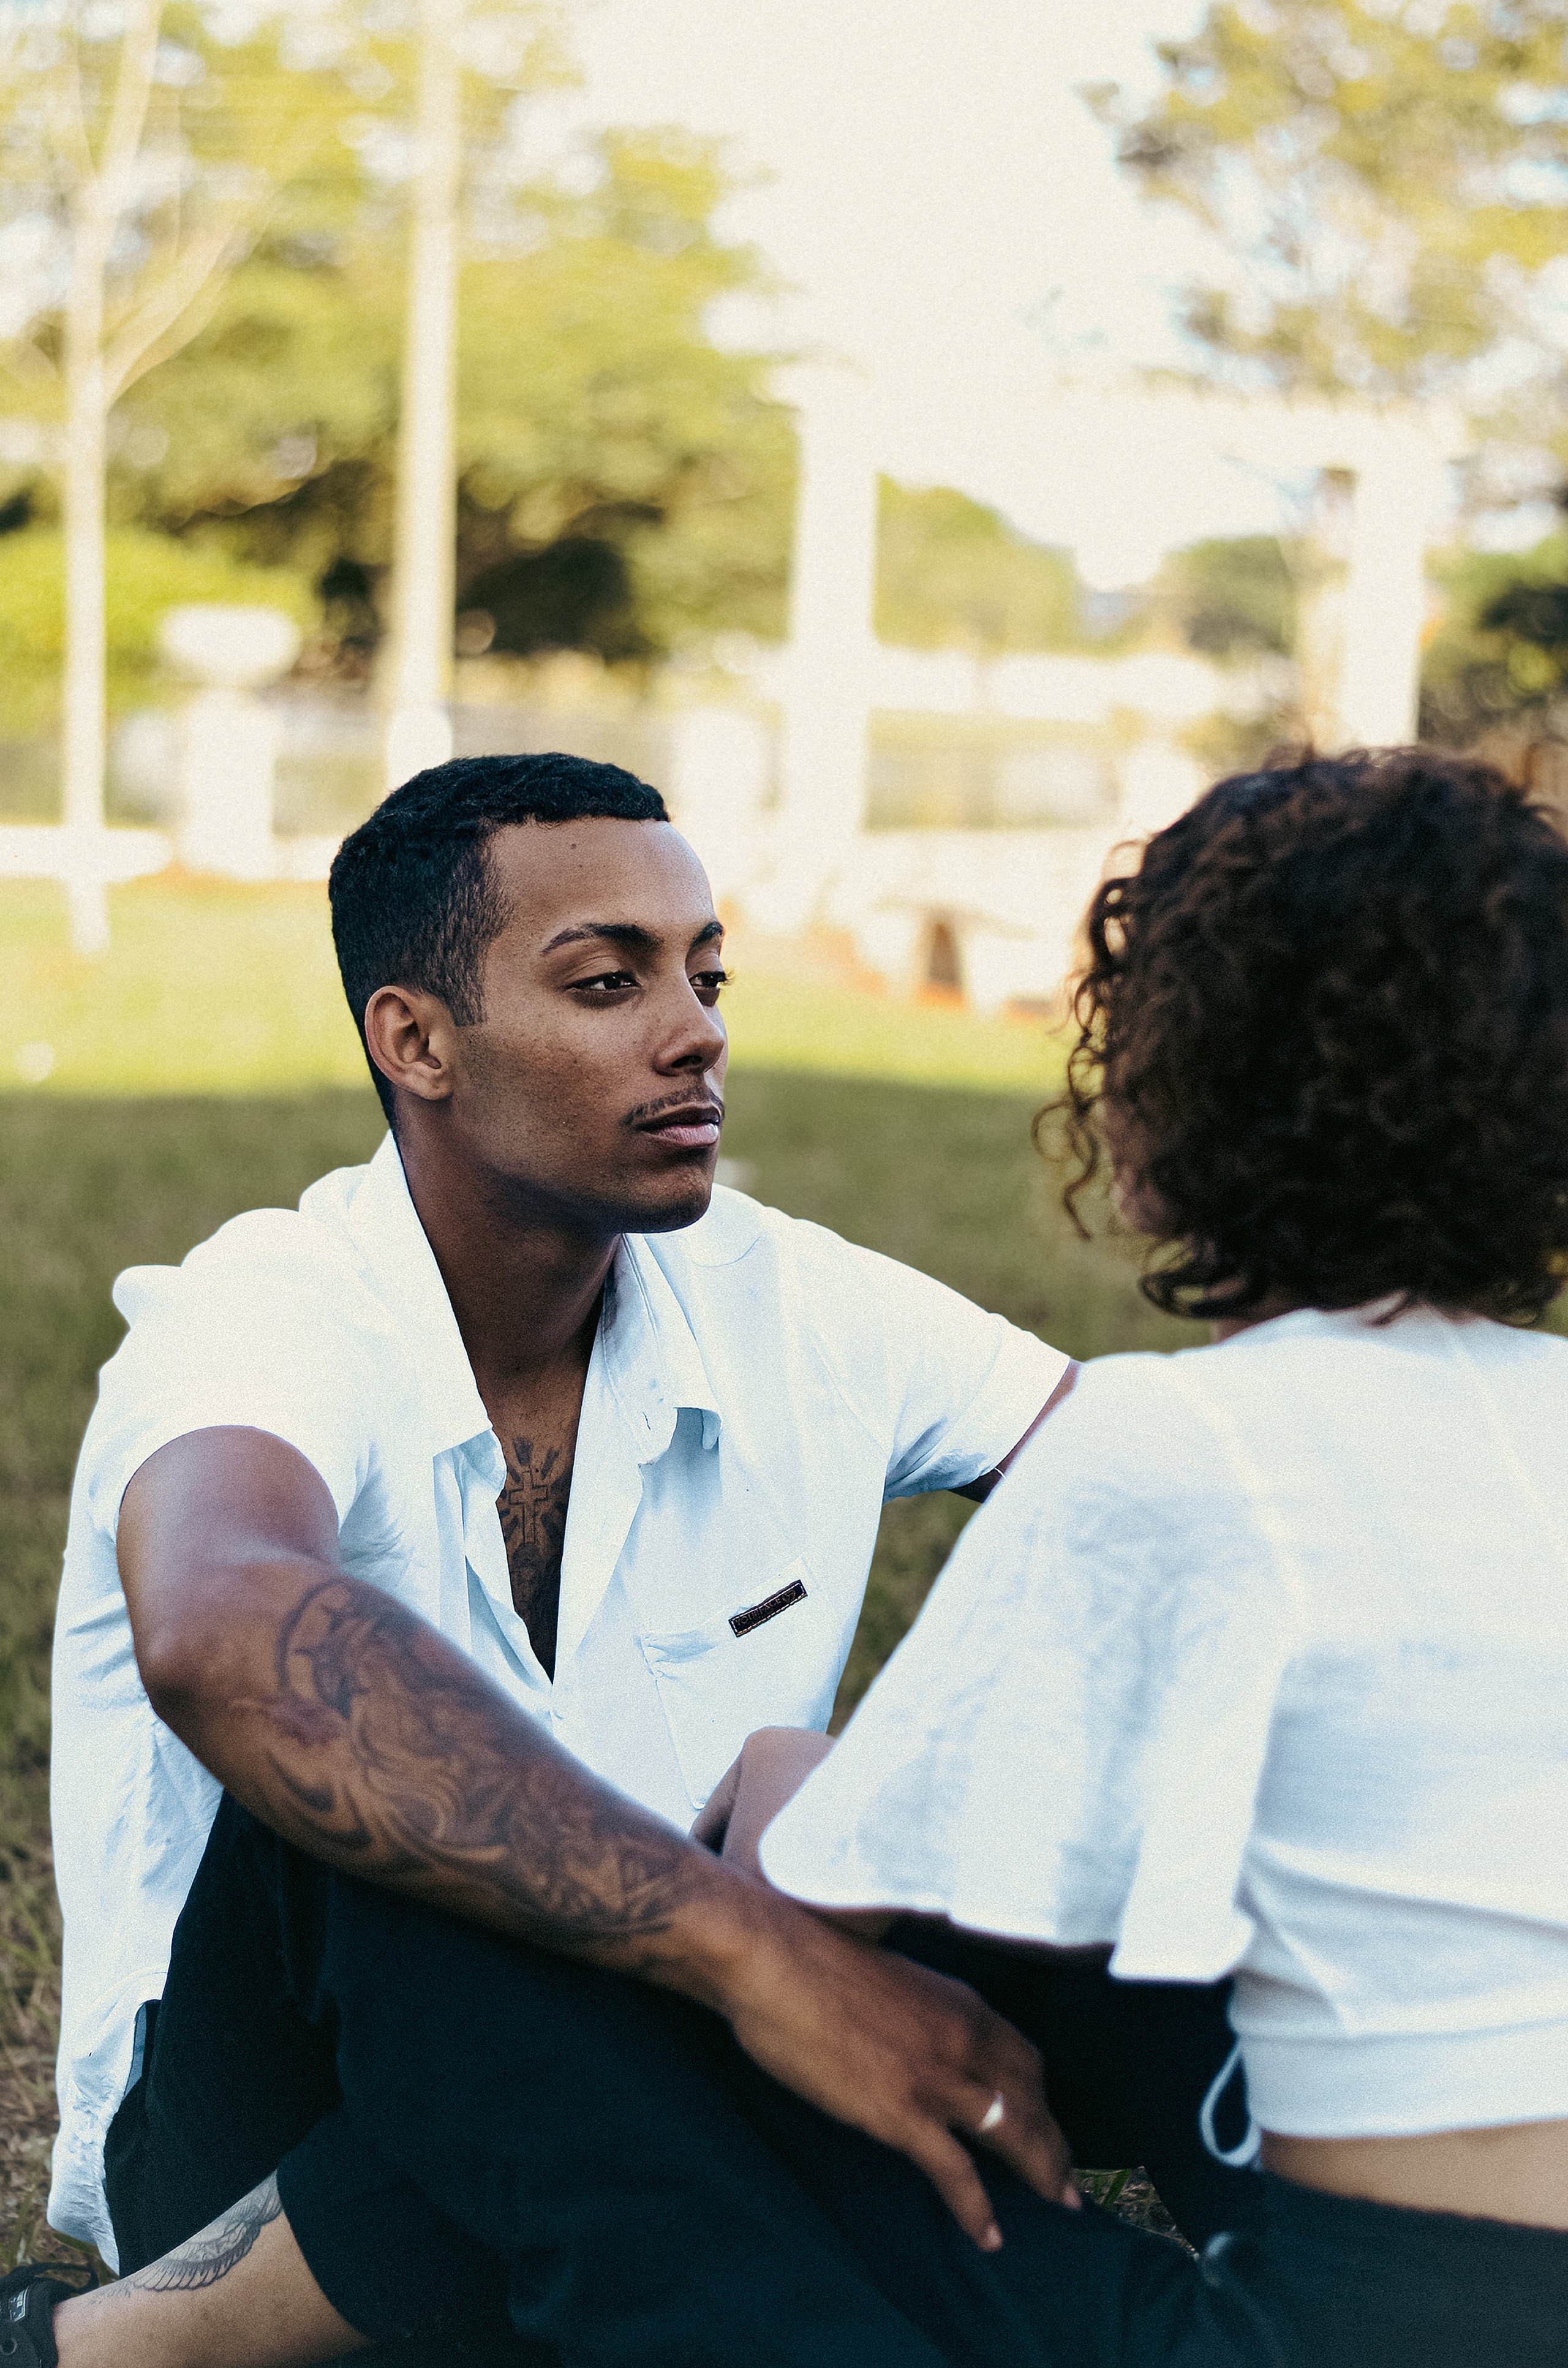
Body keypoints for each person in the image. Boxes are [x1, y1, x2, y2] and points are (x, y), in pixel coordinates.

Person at [26, 750, 1161, 2368]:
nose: (693, 1029)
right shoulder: (270, 1309)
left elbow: (1166, 1510)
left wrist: (899, 1787)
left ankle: (1348, 2258)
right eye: (606, 981)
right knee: (380, 1799)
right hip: (273, 2132)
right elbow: (224, 1629)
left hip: (684, 2060)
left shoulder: (793, 1300)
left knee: (910, 1831)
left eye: (705, 975)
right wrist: (752, 1946)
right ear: (413, 1039)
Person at [749, 746, 1568, 2364]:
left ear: (1180, 1086)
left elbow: (825, 1902)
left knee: (567, 1998)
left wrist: (779, 1761)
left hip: (1387, 2321)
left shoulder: (1183, 1444)